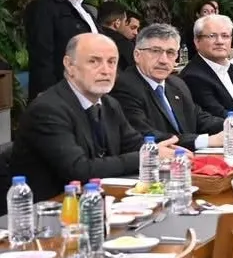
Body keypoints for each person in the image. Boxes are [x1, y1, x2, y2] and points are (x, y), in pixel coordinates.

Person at [13, 33, 178, 201]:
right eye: (94, 61)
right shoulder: (47, 110)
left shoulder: (109, 104)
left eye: (111, 62)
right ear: (69, 65)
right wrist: (146, 156)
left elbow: (133, 143)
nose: (106, 70)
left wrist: (162, 150)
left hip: (99, 200)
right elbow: (79, 170)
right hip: (52, 207)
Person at [112, 24, 233, 147]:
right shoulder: (125, 86)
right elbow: (145, 134)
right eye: (155, 51)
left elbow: (199, 118)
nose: (163, 60)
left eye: (170, 53)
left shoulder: (176, 84)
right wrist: (206, 141)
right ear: (137, 55)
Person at [24, 0, 97, 100]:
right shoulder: (43, 7)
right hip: (62, 85)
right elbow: (41, 51)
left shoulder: (84, 8)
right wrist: (46, 90)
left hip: (88, 82)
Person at [97, 1, 136, 71]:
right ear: (117, 23)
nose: (125, 25)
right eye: (125, 21)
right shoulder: (124, 44)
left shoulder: (89, 37)